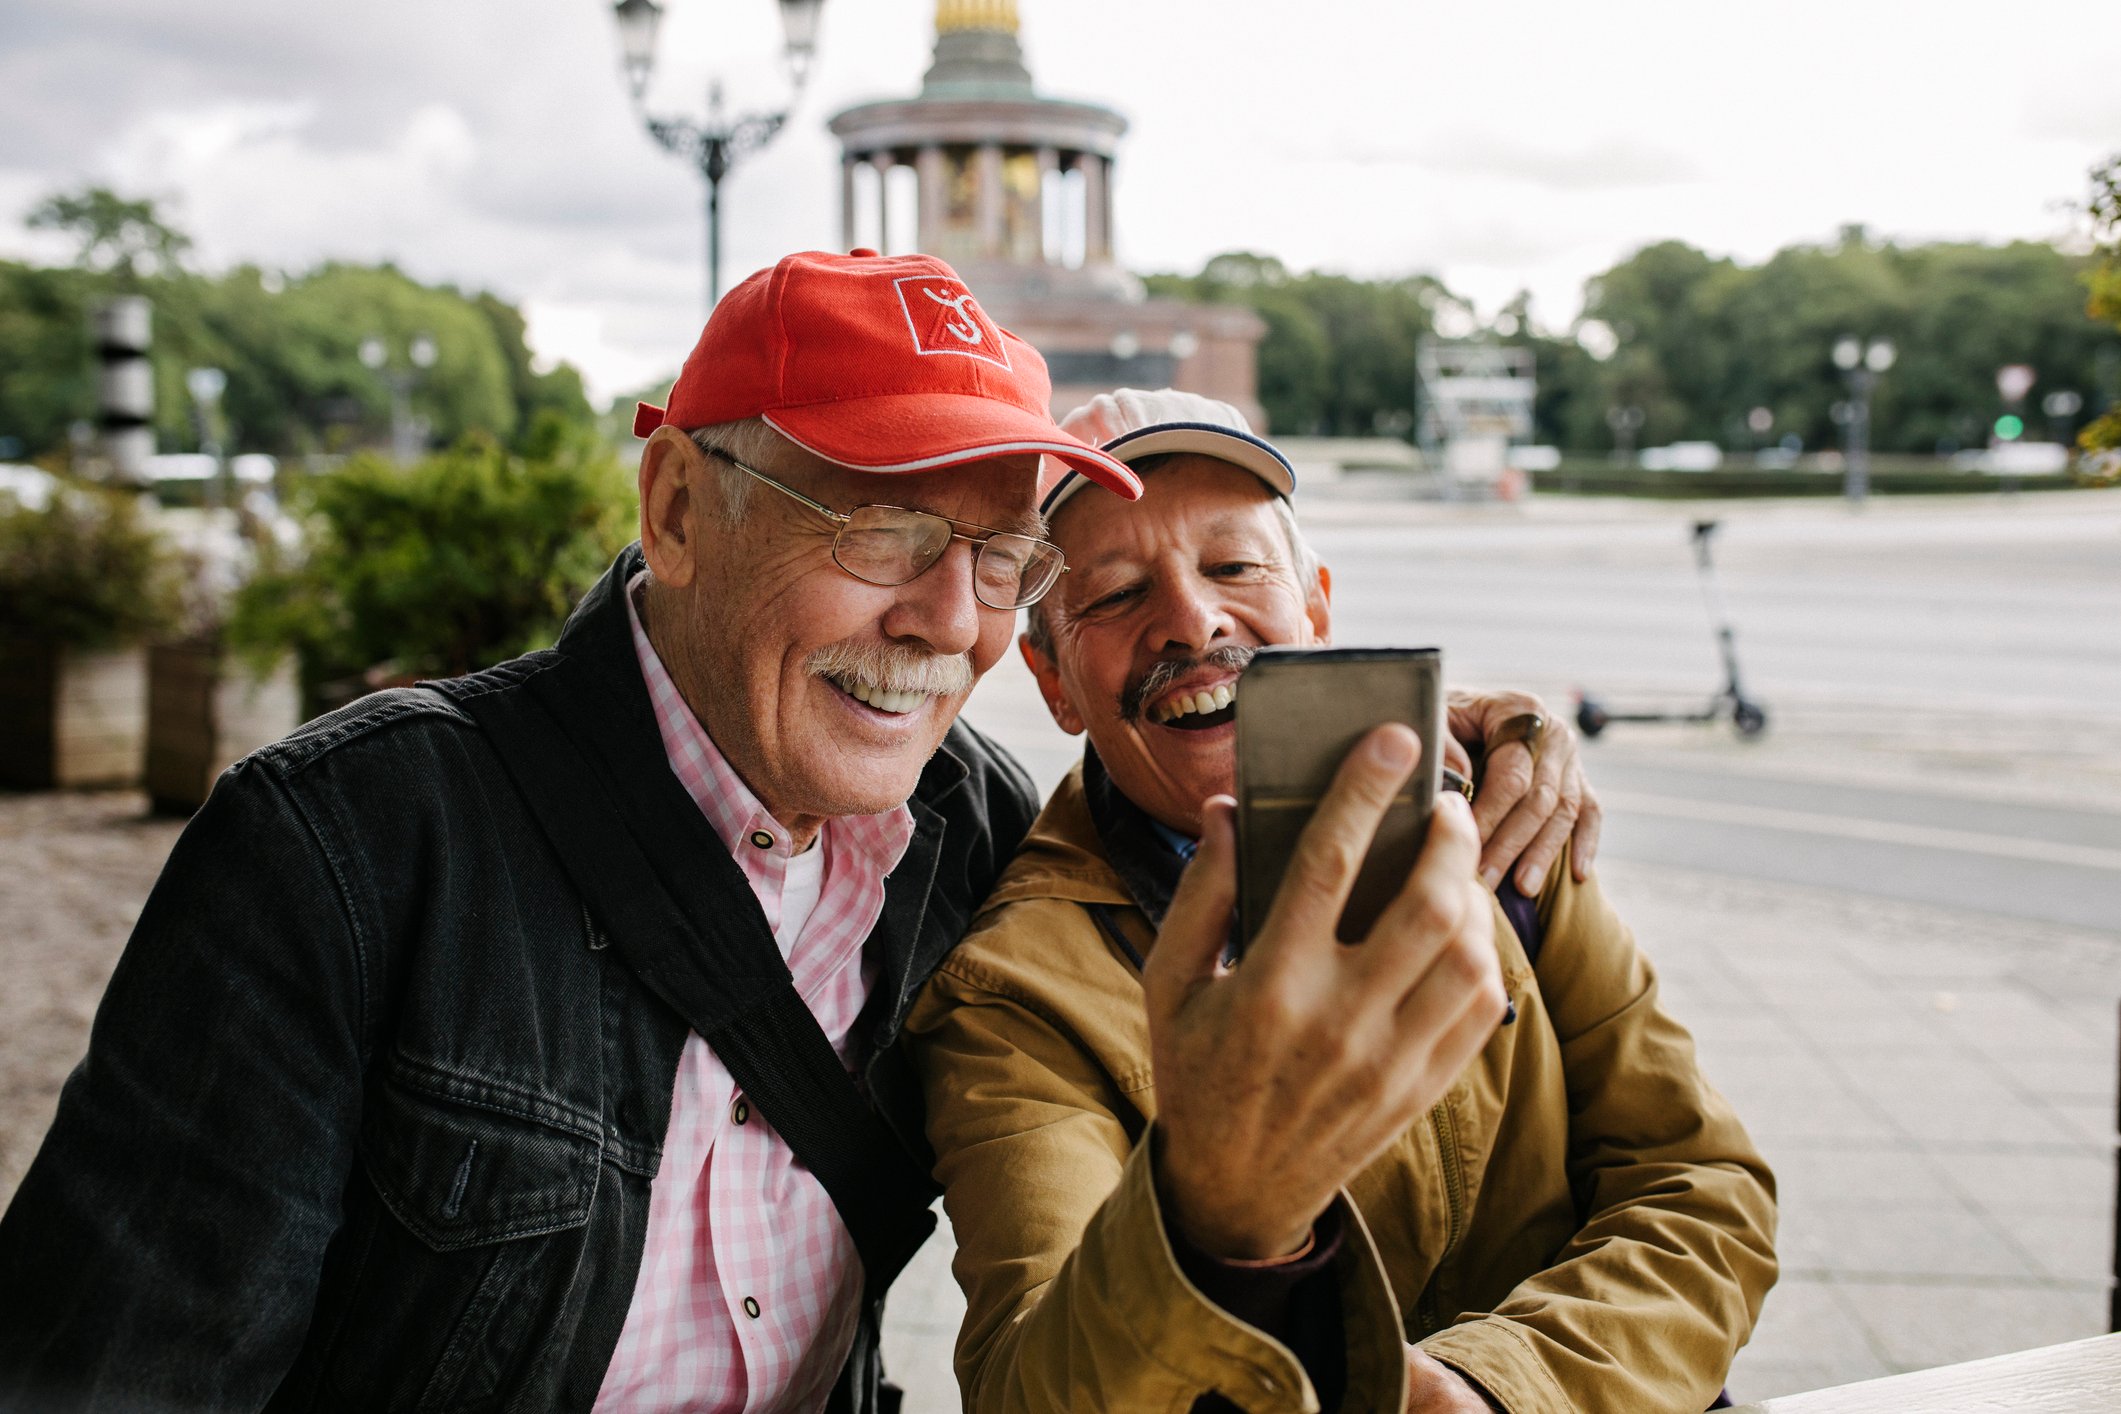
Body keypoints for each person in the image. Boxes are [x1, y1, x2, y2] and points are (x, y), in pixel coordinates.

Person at [0, 263, 1587, 1414]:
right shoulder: (349, 851)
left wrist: (1454, 739)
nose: (941, 622)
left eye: (999, 556)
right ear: (679, 507)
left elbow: (1156, 839)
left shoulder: (967, 841)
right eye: (886, 528)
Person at [903, 390, 1779, 1413]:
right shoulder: (1014, 993)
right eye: (1113, 594)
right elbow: (1033, 1385)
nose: (1191, 618)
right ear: (1055, 683)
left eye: (1234, 567)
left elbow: (1701, 1188)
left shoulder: (1496, 822)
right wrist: (1211, 1209)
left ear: (1315, 608)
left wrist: (1497, 1387)